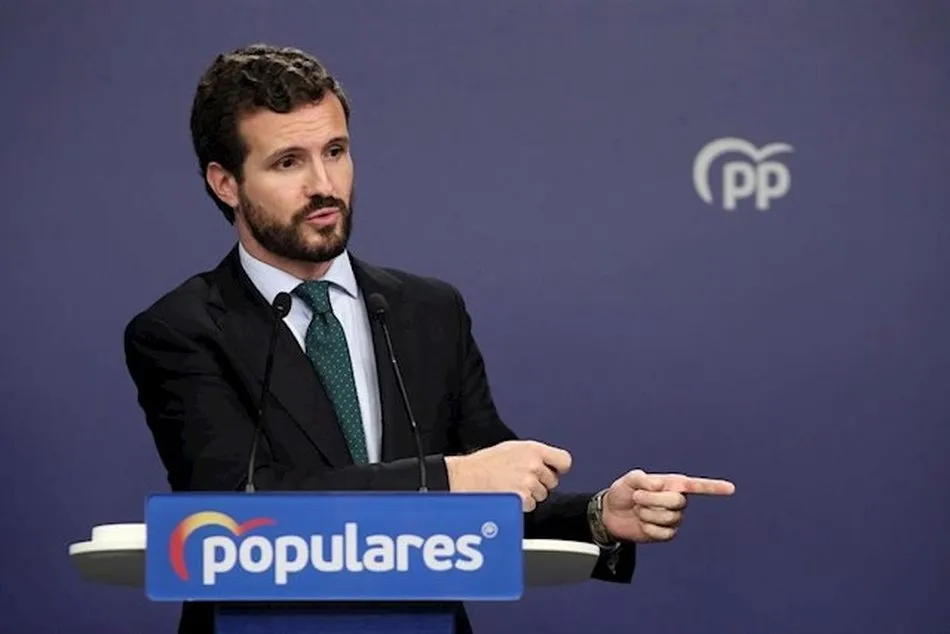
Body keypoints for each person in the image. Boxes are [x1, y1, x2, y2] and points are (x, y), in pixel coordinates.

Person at [123, 43, 735, 634]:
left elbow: (491, 490)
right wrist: (450, 478)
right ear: (225, 183)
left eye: (335, 151)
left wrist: (599, 515)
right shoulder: (181, 330)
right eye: (288, 162)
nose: (324, 184)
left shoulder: (427, 311)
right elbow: (231, 507)